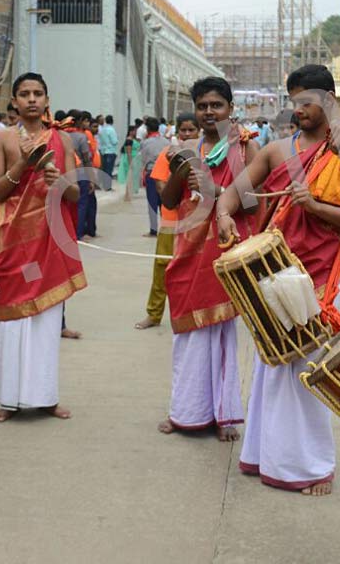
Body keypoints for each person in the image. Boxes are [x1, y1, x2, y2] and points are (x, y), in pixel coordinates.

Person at [216, 64, 340, 496]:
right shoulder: (276, 150)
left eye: (307, 101)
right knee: (273, 361)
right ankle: (265, 454)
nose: (299, 110)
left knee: (307, 368)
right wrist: (223, 216)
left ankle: (310, 466)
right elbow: (233, 194)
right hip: (275, 271)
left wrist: (317, 207)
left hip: (321, 275)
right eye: (294, 102)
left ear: (328, 100)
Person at [155, 79, 258, 440]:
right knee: (186, 337)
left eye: (217, 105)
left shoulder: (246, 148)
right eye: (203, 106)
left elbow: (254, 203)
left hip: (225, 253)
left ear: (230, 108)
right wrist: (183, 170)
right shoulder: (185, 148)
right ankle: (184, 411)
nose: (209, 112)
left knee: (221, 337)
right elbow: (168, 201)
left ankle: (225, 416)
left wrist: (215, 192)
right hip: (188, 251)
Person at [0, 72, 86, 423]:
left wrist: (59, 181)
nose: (31, 99)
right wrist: (23, 164)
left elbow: (76, 194)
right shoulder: (0, 138)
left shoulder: (63, 140)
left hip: (48, 239)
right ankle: (8, 398)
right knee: (12, 319)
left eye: (38, 93)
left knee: (45, 322)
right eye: (24, 94)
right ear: (14, 101)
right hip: (13, 239)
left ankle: (46, 396)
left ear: (47, 99)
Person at [134, 113, 199, 331]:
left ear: (198, 131)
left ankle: (191, 314)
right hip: (171, 223)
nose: (187, 134)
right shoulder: (166, 154)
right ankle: (154, 314)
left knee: (194, 270)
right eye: (183, 130)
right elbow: (163, 191)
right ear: (176, 132)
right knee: (162, 268)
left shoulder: (207, 154)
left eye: (192, 130)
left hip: (198, 225)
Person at [62, 109, 96, 240]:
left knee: (67, 204)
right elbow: (87, 159)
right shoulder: (82, 137)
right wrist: (91, 178)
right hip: (81, 173)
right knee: (82, 203)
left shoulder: (61, 135)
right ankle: (78, 232)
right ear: (80, 122)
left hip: (65, 172)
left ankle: (68, 230)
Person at [140, 117, 169, 236]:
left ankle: (153, 229)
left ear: (147, 129)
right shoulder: (166, 142)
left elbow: (144, 161)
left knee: (152, 202)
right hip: (165, 173)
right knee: (164, 201)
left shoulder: (145, 143)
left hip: (151, 173)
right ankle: (166, 226)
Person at [99, 114, 119, 192]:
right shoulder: (111, 130)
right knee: (109, 170)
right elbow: (114, 141)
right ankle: (108, 186)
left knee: (104, 169)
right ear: (112, 121)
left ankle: (104, 185)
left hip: (103, 151)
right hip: (111, 151)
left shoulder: (102, 130)